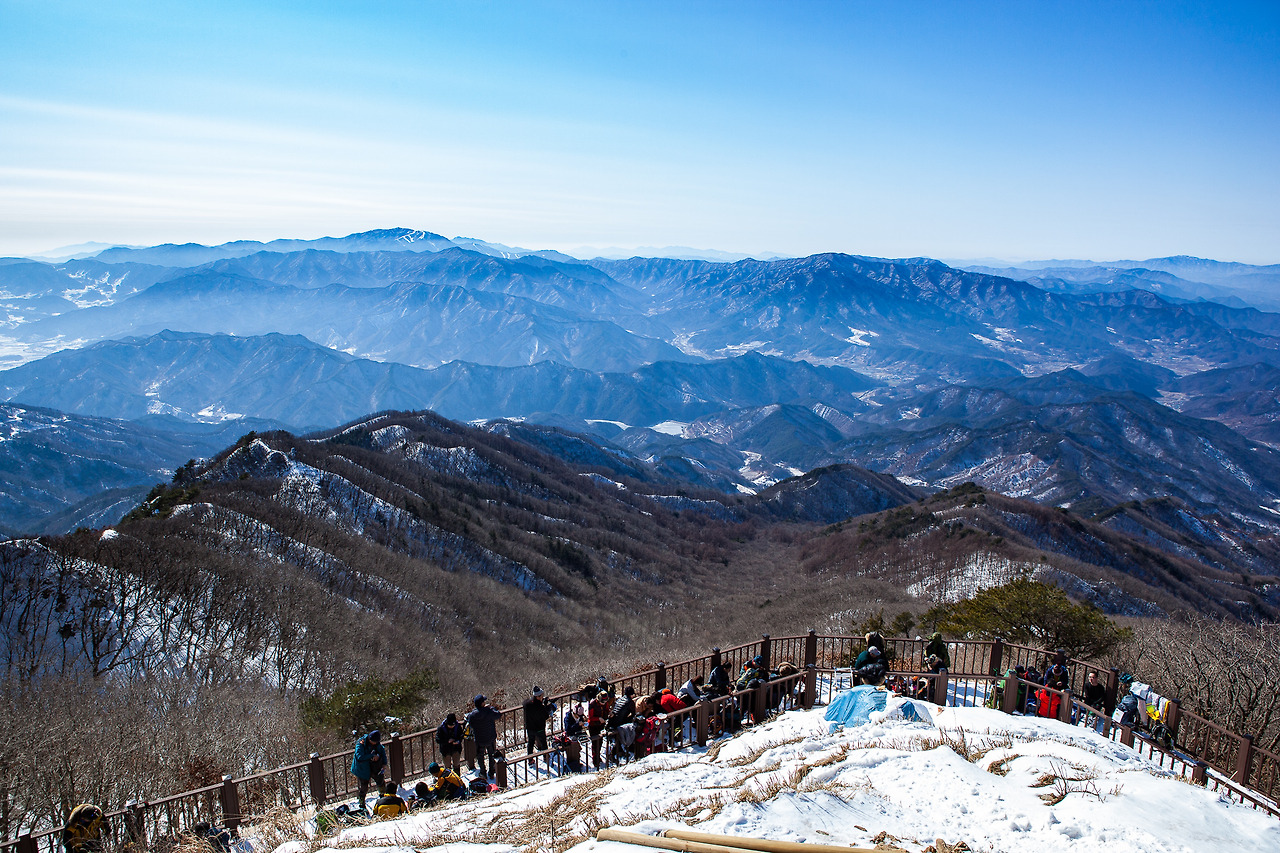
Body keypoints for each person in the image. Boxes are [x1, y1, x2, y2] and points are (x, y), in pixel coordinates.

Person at [466, 694, 503, 779]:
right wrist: (491, 708)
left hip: (479, 739)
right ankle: (491, 772)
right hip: (490, 738)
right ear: (482, 703)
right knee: (491, 755)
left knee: (480, 756)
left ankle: (483, 772)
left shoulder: (473, 715)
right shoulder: (489, 711)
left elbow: (470, 724)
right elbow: (498, 715)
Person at [350, 730, 388, 807]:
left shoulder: (378, 745)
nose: (375, 743)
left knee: (381, 782)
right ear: (370, 739)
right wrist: (371, 756)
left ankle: (383, 798)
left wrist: (384, 764)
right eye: (373, 741)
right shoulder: (361, 744)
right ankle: (362, 803)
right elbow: (359, 756)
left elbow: (382, 752)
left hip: (375, 767)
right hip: (363, 769)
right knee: (364, 787)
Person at [522, 685, 556, 756]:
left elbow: (524, 703)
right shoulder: (540, 707)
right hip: (539, 728)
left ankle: (530, 758)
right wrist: (546, 706)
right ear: (538, 697)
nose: (542, 697)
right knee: (543, 742)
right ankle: (546, 756)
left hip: (530, 728)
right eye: (541, 696)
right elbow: (545, 716)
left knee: (530, 743)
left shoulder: (527, 704)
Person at [588, 688, 613, 769]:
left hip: (601, 725)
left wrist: (609, 712)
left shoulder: (605, 703)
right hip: (593, 726)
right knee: (595, 743)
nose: (604, 703)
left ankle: (598, 756)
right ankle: (595, 759)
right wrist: (598, 718)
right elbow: (590, 718)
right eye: (602, 702)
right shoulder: (592, 704)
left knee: (600, 742)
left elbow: (607, 709)